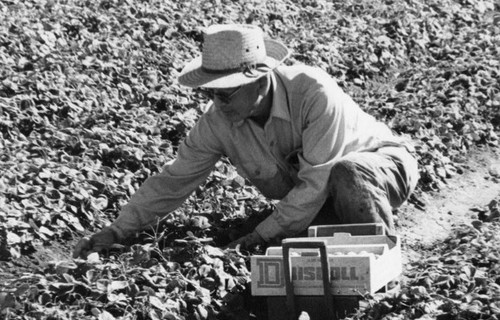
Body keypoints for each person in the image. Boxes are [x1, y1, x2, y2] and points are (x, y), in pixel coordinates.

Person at [73, 24, 419, 259]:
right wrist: (118, 231)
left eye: (227, 91)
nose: (218, 102)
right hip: (317, 195)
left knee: (348, 173)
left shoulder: (312, 91)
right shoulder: (217, 122)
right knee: (294, 243)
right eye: (211, 92)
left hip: (380, 166)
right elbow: (173, 179)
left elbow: (317, 180)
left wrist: (259, 236)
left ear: (261, 78)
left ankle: (382, 270)